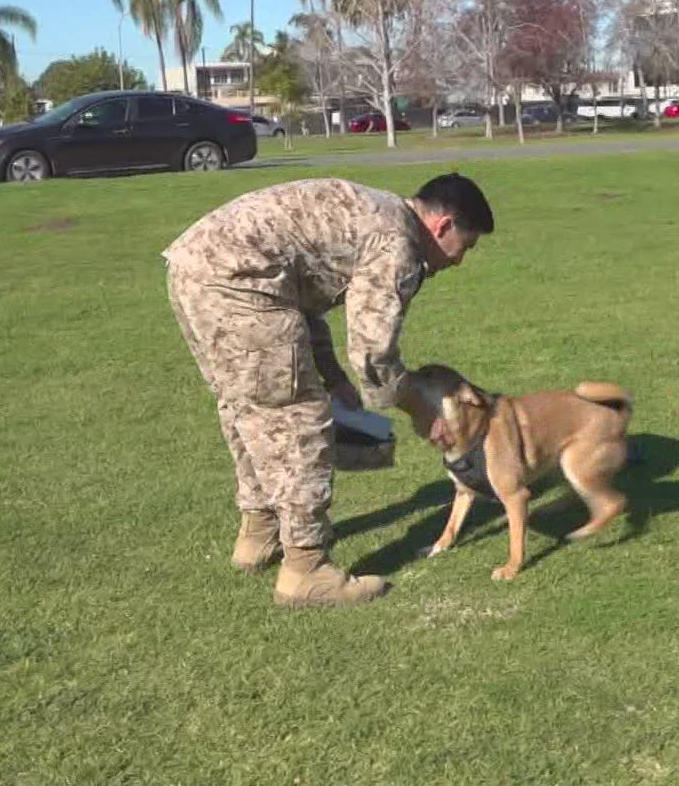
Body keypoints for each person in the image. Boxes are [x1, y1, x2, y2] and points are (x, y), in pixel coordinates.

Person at [162, 173, 495, 608]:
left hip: (195, 268)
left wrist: (333, 376)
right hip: (240, 282)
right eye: (464, 248)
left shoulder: (375, 211)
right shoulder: (398, 243)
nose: (458, 261)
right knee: (295, 418)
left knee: (245, 406)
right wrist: (420, 409)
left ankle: (259, 533)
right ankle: (306, 569)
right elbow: (373, 350)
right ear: (444, 226)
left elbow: (300, 297)